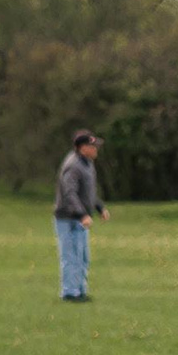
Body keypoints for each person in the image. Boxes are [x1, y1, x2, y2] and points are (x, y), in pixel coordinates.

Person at [54, 130, 107, 303]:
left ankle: (80, 291)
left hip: (80, 217)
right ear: (83, 147)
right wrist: (82, 214)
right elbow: (70, 194)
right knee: (71, 256)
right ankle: (70, 293)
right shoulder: (73, 165)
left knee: (83, 256)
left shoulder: (87, 163)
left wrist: (99, 207)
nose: (96, 149)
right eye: (93, 146)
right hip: (69, 218)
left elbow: (88, 192)